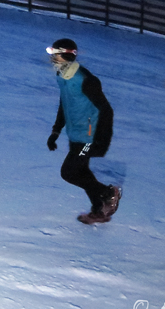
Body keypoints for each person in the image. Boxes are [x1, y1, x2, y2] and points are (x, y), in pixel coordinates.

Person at [45, 39, 121, 224]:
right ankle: (99, 211)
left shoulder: (85, 80)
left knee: (69, 173)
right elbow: (65, 103)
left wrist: (101, 140)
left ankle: (108, 193)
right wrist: (56, 131)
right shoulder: (62, 76)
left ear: (65, 55)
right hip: (76, 134)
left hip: (89, 136)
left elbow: (106, 110)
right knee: (82, 172)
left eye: (55, 54)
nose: (52, 58)